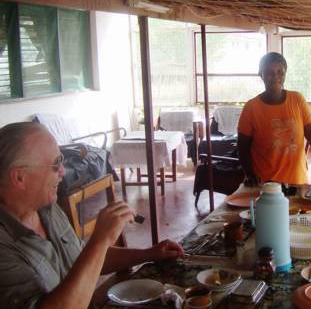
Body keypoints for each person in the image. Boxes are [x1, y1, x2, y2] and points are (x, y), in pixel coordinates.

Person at [0, 122, 184, 309]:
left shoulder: (47, 209)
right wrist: (101, 240)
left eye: (61, 161)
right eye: (55, 164)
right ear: (19, 177)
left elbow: (82, 259)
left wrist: (149, 253)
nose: (63, 172)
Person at [237, 52, 311, 190]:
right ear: (261, 74)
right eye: (269, 72)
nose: (275, 76)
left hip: (297, 182)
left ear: (285, 74)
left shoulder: (297, 99)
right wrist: (249, 173)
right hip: (266, 184)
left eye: (280, 72)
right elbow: (242, 146)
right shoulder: (251, 107)